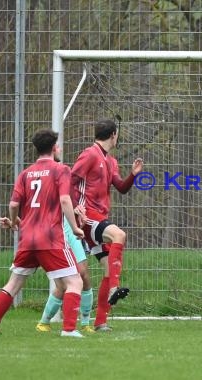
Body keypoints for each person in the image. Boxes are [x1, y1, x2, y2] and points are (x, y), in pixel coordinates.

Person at [0, 129, 85, 338]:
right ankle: (69, 329)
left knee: (13, 284)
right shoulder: (61, 170)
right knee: (75, 281)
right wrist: (75, 227)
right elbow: (65, 200)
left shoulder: (25, 174)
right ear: (53, 148)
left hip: (27, 240)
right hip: (51, 238)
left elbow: (14, 204)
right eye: (58, 145)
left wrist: (14, 222)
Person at [71, 119, 143, 332]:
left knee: (106, 270)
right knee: (119, 235)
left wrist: (133, 175)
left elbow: (121, 187)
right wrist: (76, 207)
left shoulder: (110, 161)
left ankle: (100, 322)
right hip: (87, 217)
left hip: (98, 217)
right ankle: (114, 288)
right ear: (114, 134)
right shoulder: (89, 154)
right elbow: (70, 180)